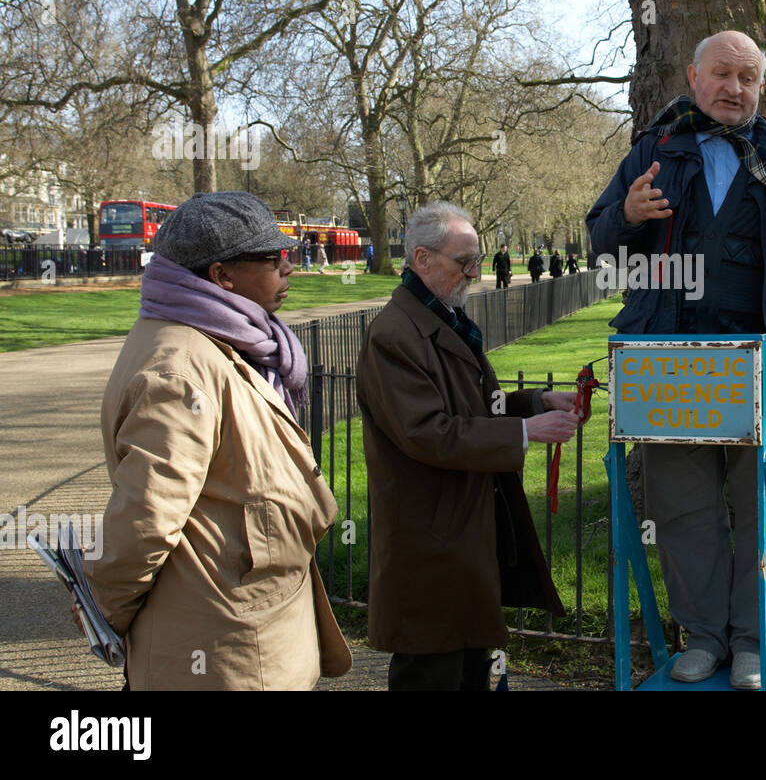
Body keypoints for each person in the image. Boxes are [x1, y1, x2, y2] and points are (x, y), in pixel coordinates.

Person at [586, 30, 766, 689]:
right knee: (681, 510)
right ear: (692, 76)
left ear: (760, 86)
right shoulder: (653, 150)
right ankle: (704, 638)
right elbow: (601, 242)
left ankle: (754, 642)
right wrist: (626, 213)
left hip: (765, 367)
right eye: (722, 74)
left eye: (747, 77)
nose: (734, 88)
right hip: (671, 365)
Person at [87, 191, 352, 689]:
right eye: (272, 259)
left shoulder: (220, 338)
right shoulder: (180, 370)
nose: (288, 268)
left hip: (251, 625)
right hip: (220, 647)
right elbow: (145, 522)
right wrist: (107, 612)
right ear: (221, 275)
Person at [356, 202, 577, 691]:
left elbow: (480, 406)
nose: (475, 273)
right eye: (465, 262)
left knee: (472, 660)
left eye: (477, 260)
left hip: (465, 527)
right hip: (429, 534)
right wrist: (526, 432)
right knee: (432, 666)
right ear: (421, 258)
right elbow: (426, 432)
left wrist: (534, 402)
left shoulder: (446, 318)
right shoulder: (393, 334)